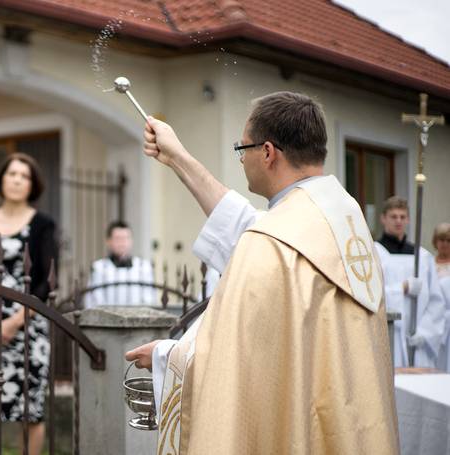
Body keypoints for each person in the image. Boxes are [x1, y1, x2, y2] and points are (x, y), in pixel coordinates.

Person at [125, 92, 398, 454]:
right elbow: (247, 224)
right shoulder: (343, 217)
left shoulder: (271, 244)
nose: (241, 160)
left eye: (243, 149)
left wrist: (164, 356)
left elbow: (230, 357)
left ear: (268, 152)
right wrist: (178, 158)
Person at [0, 153, 57, 455]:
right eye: (12, 173)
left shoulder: (43, 225)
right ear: (1, 179)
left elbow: (47, 282)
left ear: (33, 185)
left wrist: (13, 324)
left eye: (24, 175)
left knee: (30, 414)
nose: (17, 179)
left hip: (27, 329)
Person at [373, 197, 445, 368]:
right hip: (390, 336)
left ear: (409, 220)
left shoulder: (422, 256)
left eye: (402, 217)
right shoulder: (374, 252)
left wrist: (425, 333)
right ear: (383, 219)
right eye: (393, 216)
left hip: (417, 340)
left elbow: (436, 302)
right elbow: (371, 295)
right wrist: (401, 289)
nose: (399, 221)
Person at [85, 221, 154, 307]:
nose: (122, 243)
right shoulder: (99, 268)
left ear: (131, 240)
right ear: (108, 241)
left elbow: (149, 299)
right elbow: (93, 301)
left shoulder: (144, 267)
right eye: (118, 238)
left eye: (126, 238)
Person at [432, 223, 450, 371]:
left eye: (448, 240)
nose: (444, 244)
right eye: (441, 240)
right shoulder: (428, 263)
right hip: (433, 321)